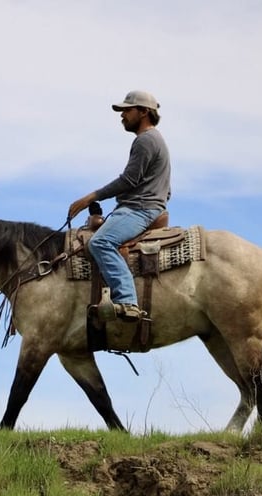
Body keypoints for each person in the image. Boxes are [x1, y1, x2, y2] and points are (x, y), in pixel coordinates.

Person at [68, 90, 171, 322]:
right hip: (147, 206)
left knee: (100, 242)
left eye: (127, 110)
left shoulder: (146, 140)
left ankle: (127, 300)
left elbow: (129, 180)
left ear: (143, 112)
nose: (122, 115)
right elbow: (165, 189)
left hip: (140, 209)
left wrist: (89, 198)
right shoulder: (156, 140)